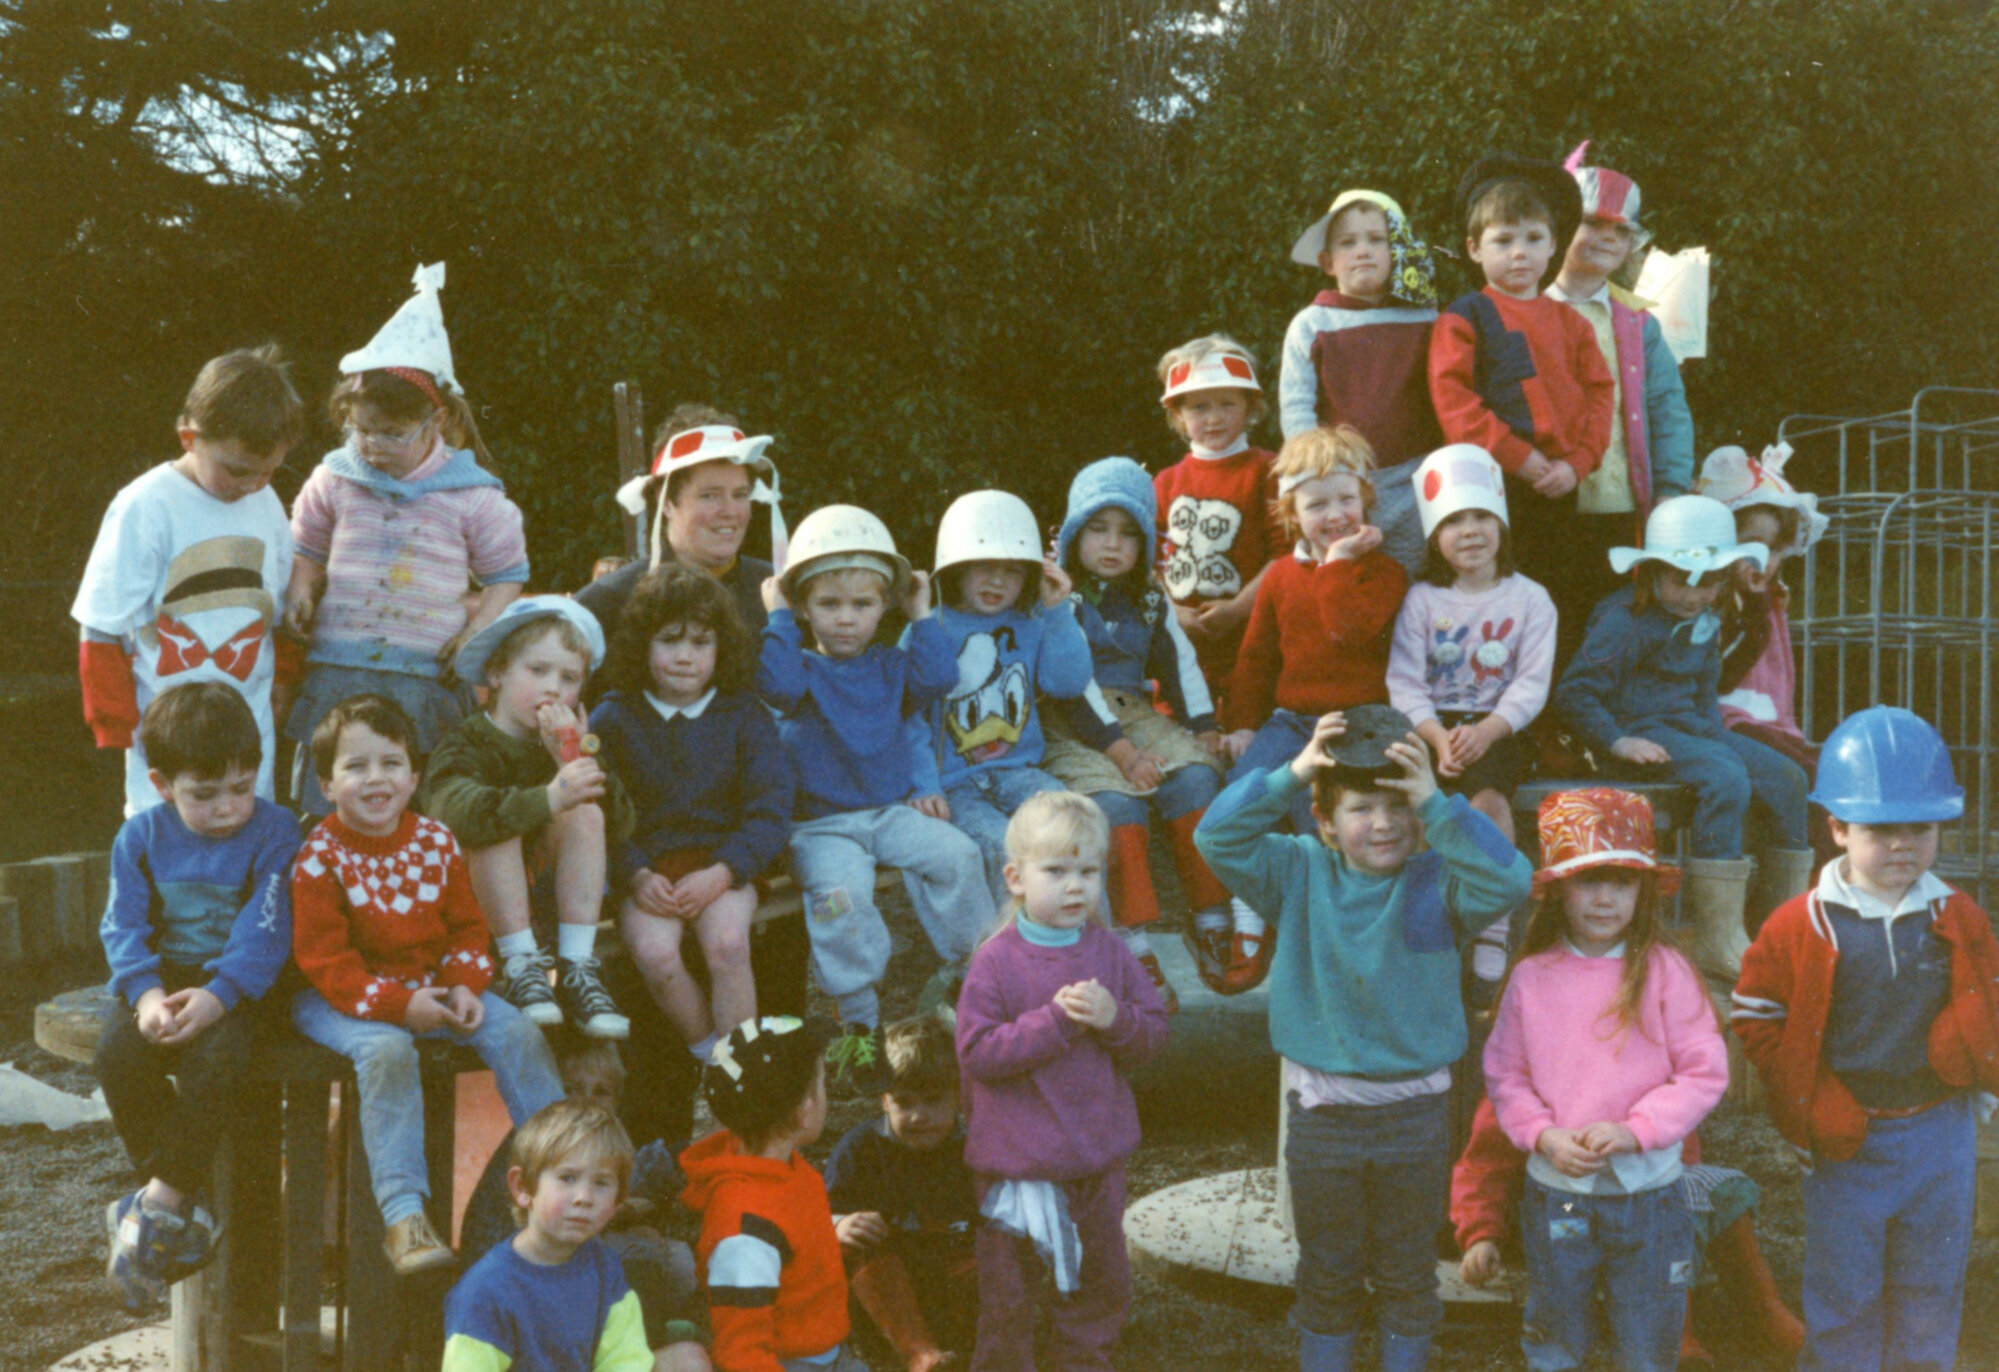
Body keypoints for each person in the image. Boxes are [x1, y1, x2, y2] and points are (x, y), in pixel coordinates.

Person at [1194, 707, 1531, 1372]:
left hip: (1415, 1118)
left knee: (1409, 1270)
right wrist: (1293, 773)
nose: (1381, 823)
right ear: (1324, 821)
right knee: (1327, 1269)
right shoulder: (1295, 871)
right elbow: (1216, 837)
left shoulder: (1439, 881)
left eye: (1397, 806)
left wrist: (1435, 802)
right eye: (1359, 808)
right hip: (1323, 1116)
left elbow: (1511, 878)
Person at [1733, 706, 1999, 1372]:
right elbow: (1753, 1013)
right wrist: (1804, 1092)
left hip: (1939, 1131)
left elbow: (1989, 998)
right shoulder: (1800, 923)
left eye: (1920, 828)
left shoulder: (1957, 913)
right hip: (1848, 1132)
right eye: (1881, 830)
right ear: (1837, 828)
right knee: (1843, 1290)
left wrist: (1980, 1072)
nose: (1902, 846)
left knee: (1930, 1288)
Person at [291, 694, 565, 1274]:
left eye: (391, 764)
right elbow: (326, 962)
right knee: (386, 1050)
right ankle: (404, 1215)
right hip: (338, 998)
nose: (376, 779)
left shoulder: (436, 842)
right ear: (325, 784)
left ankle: (562, 1165)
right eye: (356, 766)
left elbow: (468, 930)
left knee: (515, 1030)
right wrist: (398, 1005)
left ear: (414, 777)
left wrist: (466, 986)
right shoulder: (319, 856)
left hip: (431, 987)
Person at [1482, 788, 1728, 1372]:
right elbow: (1505, 1076)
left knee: (1648, 1337)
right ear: (1557, 890)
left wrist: (1636, 1130)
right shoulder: (1530, 977)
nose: (1603, 898)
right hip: (1557, 1193)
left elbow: (1705, 1071)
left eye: (1620, 882)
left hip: (1651, 1193)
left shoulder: (1666, 971)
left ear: (1643, 890)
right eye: (1587, 882)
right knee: (1555, 1330)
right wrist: (1543, 1136)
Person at [757, 506, 994, 1091]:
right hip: (821, 827)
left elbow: (940, 679)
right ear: (805, 606)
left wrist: (921, 610)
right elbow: (778, 687)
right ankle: (858, 1026)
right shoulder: (801, 668)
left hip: (891, 813)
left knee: (958, 855)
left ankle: (977, 980)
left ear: (884, 605)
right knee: (842, 900)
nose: (845, 620)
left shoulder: (892, 664)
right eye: (829, 605)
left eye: (862, 605)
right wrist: (779, 616)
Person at [284, 263, 527, 815]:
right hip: (338, 672)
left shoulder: (473, 496)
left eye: (391, 433)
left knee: (419, 803)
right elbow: (307, 545)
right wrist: (301, 588)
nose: (372, 444)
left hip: (422, 678)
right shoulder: (334, 478)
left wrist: (474, 634)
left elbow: (506, 578)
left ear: (435, 421)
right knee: (329, 801)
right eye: (360, 429)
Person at [97, 684, 300, 1311]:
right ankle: (191, 1208)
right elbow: (122, 927)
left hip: (244, 986)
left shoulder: (276, 829)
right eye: (204, 794)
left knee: (219, 1061)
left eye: (242, 787)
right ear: (161, 784)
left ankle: (158, 1205)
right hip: (162, 978)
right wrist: (148, 997)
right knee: (117, 1058)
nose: (228, 808)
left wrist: (220, 995)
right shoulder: (140, 837)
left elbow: (269, 926)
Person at [1553, 495, 1812, 980]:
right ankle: (1717, 933)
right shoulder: (1623, 619)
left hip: (1691, 731)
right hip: (1638, 735)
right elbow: (1576, 693)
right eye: (1680, 580)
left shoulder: (1704, 620)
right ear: (1651, 570)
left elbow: (1702, 696)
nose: (1693, 596)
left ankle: (1784, 926)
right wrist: (1616, 742)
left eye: (1708, 582)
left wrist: (1716, 738)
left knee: (1788, 777)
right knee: (1726, 778)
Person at [955, 791, 1170, 1372]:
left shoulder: (1111, 951)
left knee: (1102, 1286)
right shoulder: (996, 961)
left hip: (1096, 1159)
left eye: (1089, 871)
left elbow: (1151, 1035)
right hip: (1017, 1168)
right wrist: (1052, 1023)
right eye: (1056, 871)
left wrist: (1114, 1019)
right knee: (1010, 1297)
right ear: (1016, 878)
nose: (1075, 886)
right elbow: (976, 1052)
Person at [73, 345, 304, 815]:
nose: (251, 484)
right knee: (166, 848)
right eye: (237, 469)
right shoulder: (147, 505)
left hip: (248, 723)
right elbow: (102, 619)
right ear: (189, 437)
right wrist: (113, 719)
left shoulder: (265, 503)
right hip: (166, 726)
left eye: (268, 471)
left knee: (249, 843)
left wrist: (284, 679)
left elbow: (275, 610)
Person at [1218, 427, 1410, 992]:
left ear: (1367, 501)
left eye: (1346, 499)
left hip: (1359, 724)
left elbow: (1346, 626)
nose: (1335, 515)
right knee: (1240, 792)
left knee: (1319, 814)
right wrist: (1244, 727)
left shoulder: (1384, 573)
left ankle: (1332, 934)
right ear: (1291, 514)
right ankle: (1249, 918)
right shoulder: (1279, 577)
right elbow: (1255, 660)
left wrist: (1338, 565)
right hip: (1292, 721)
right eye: (1317, 503)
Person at [1042, 457, 1234, 1001]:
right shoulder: (1060, 596)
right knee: (1113, 804)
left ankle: (1212, 919)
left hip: (1133, 710)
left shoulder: (1151, 597)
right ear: (1075, 532)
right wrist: (1123, 754)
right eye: (1097, 529)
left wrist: (1203, 727)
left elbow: (1180, 663)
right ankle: (1129, 941)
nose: (1111, 545)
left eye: (1128, 534)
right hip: (1071, 718)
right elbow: (1071, 682)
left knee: (1198, 777)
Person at [592, 565, 793, 1064]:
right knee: (657, 956)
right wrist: (635, 874)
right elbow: (597, 813)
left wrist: (725, 871)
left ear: (721, 649)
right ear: (643, 645)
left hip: (724, 864)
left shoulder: (743, 713)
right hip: (649, 871)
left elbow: (771, 811)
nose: (684, 656)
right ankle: (712, 1059)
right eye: (669, 640)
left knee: (727, 944)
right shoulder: (614, 718)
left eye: (701, 642)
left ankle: (743, 1074)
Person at [1452, 1094, 1805, 1368]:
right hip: (1567, 1215)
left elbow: (1681, 1142)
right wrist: (1481, 1234)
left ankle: (1763, 1312)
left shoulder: (1652, 1061)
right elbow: (1484, 1164)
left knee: (1707, 1189)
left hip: (1647, 1215)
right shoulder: (1529, 1077)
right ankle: (1673, 1334)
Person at [419, 597, 637, 1037]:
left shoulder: (568, 743)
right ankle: (520, 965)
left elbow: (620, 824)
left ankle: (577, 967)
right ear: (497, 674)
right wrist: (549, 797)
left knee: (586, 813)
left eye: (569, 677)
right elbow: (451, 813)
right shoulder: (467, 743)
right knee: (496, 823)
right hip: (472, 908)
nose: (553, 687)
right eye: (538, 671)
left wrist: (569, 758)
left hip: (550, 902)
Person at [1386, 445, 1554, 1005]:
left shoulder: (1531, 598)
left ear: (1502, 525)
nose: (1471, 531)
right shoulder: (1422, 600)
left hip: (1498, 728)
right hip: (1432, 725)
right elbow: (1406, 680)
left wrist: (1487, 732)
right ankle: (1419, 927)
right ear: (1435, 538)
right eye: (1454, 521)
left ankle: (1492, 926)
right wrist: (1435, 736)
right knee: (1414, 808)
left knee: (1488, 806)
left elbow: (1530, 683)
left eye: (1482, 516)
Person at [1428, 152, 1615, 639]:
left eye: (1533, 239)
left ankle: (1551, 705)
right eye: (1503, 240)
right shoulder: (1466, 315)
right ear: (1473, 248)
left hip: (1561, 484)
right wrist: (1518, 457)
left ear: (1554, 244)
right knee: (1496, 600)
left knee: (1558, 601)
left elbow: (1600, 396)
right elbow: (1454, 401)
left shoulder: (1571, 323)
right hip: (1495, 487)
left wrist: (1576, 464)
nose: (1519, 253)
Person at [458, 1041, 710, 1366]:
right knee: (657, 1255)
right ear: (523, 1187)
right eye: (572, 1089)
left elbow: (623, 1362)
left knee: (690, 1358)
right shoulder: (487, 1288)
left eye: (601, 1092)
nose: (586, 1102)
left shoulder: (606, 1273)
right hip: (529, 1276)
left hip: (575, 1292)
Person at [1543, 143, 1695, 665]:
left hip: (1619, 506)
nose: (1609, 237)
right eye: (1594, 223)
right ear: (1559, 224)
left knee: (1608, 621)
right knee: (1546, 619)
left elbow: (1667, 410)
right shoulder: (1522, 309)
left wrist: (1672, 492)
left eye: (1622, 230)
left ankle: (1598, 731)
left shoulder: (1637, 324)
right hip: (1542, 503)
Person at [923, 488, 1094, 906]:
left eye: (1013, 571)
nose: (998, 581)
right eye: (983, 566)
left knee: (1070, 826)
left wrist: (1057, 612)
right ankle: (1016, 953)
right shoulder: (928, 627)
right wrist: (924, 783)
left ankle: (1091, 938)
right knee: (1003, 847)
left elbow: (1068, 682)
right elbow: (906, 716)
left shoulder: (1033, 624)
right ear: (955, 567)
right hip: (953, 786)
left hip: (1020, 771)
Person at [681, 1016, 863, 1372]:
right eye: (821, 1084)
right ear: (804, 1110)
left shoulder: (784, 1170)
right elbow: (741, 1351)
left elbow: (790, 1229)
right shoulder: (745, 1230)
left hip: (827, 1351)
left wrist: (833, 1224)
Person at [1277, 189, 1445, 574]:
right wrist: (1313, 476)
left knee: (1408, 578)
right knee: (1346, 575)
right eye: (1348, 243)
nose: (1363, 250)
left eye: (1376, 240)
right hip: (1341, 488)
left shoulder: (1425, 319)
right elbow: (1297, 408)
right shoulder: (1313, 323)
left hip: (1414, 480)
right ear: (1327, 261)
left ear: (1396, 252)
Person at [1698, 440, 1834, 895]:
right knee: (1796, 780)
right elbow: (1720, 675)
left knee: (1823, 779)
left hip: (1761, 722)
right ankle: (1780, 912)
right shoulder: (1713, 598)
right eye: (1751, 545)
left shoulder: (1769, 600)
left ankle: (1807, 900)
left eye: (1776, 549)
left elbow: (1779, 680)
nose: (1765, 560)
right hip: (1720, 718)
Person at [824, 1011, 979, 1372]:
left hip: (952, 1261)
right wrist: (840, 1223)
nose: (918, 1115)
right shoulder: (859, 1148)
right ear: (883, 1100)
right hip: (888, 1276)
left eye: (932, 1100)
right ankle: (920, 1355)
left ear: (958, 1096)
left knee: (1003, 1250)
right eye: (905, 1102)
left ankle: (987, 1345)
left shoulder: (976, 1145)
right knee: (857, 1244)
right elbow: (818, 1213)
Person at [580, 404, 784, 648]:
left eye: (740, 495)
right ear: (665, 501)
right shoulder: (610, 602)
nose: (730, 511)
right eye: (710, 496)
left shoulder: (780, 593)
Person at [1152, 335, 1278, 699]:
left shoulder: (1268, 471)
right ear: (1177, 414)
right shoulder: (1166, 482)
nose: (1214, 418)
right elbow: (1148, 561)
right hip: (1181, 640)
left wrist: (1238, 608)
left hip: (1253, 635)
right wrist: (1172, 611)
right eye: (1199, 407)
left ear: (1251, 405)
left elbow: (1285, 556)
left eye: (1227, 404)